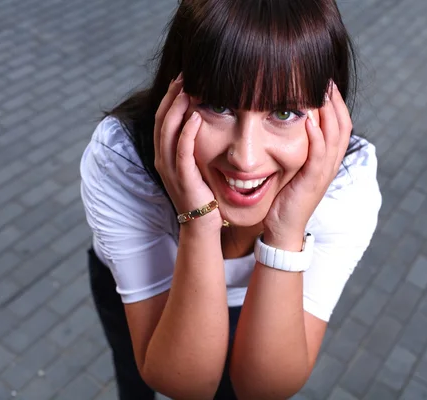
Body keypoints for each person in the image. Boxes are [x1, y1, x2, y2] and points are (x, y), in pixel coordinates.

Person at [80, 0, 382, 398]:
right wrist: (200, 221)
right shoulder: (124, 158)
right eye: (218, 106)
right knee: (139, 373)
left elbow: (264, 389)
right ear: (176, 97)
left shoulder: (344, 185)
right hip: (137, 295)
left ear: (331, 114)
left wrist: (286, 231)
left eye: (285, 112)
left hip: (265, 300)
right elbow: (180, 381)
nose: (246, 157)